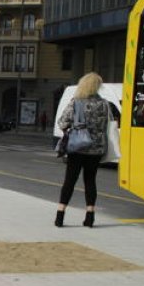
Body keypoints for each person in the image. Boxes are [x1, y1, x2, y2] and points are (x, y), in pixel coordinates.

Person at [55, 72, 112, 228]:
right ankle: (90, 217)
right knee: (90, 181)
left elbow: (62, 123)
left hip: (78, 147)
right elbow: (108, 125)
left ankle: (60, 216)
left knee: (70, 181)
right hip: (96, 149)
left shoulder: (76, 102)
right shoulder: (104, 104)